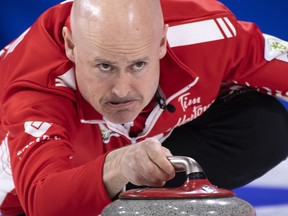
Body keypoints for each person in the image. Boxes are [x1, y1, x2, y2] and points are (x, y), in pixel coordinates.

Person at [0, 0, 287, 215]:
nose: (122, 90)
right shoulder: (34, 88)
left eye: (138, 64)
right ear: (71, 45)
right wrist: (119, 165)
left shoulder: (205, 32)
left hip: (138, 147)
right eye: (104, 66)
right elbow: (43, 203)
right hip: (33, 190)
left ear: (162, 41)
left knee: (265, 127)